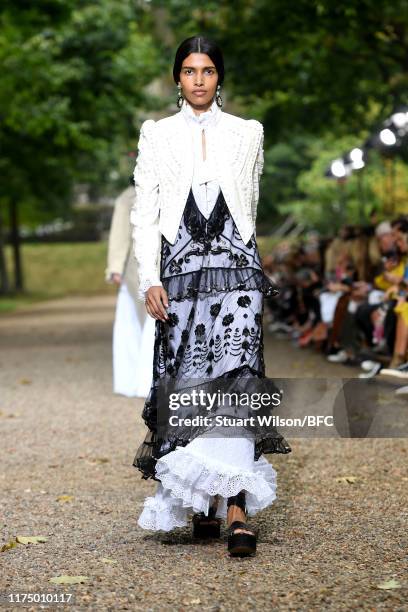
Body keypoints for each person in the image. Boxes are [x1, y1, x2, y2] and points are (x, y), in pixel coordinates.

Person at [130, 35, 291, 557]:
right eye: (189, 71)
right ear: (178, 78)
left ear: (220, 78)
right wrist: (148, 278)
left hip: (236, 267)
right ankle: (204, 502)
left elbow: (251, 199)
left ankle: (237, 507)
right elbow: (145, 212)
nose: (198, 80)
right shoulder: (156, 135)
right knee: (190, 378)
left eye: (208, 71)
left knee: (238, 377)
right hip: (178, 270)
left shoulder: (249, 133)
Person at [105, 180, 155, 397]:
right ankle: (143, 381)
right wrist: (115, 267)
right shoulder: (128, 197)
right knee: (141, 323)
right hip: (137, 267)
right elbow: (119, 234)